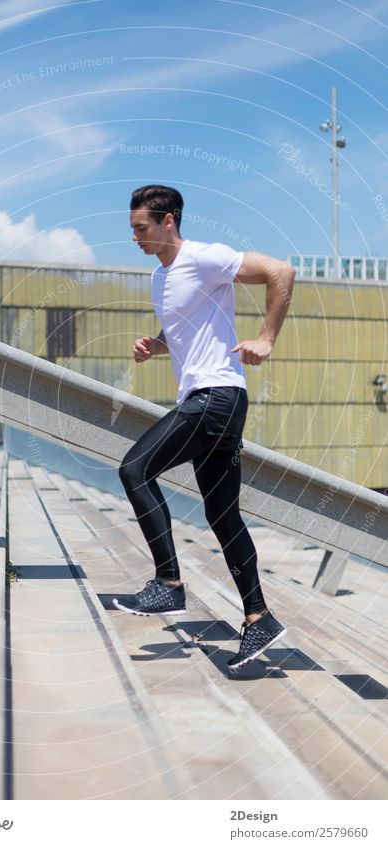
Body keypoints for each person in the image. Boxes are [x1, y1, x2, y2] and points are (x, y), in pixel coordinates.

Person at [112, 184, 295, 671]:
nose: (135, 237)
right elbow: (188, 336)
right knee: (222, 515)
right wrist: (158, 347)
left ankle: (168, 584)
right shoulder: (159, 279)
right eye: (132, 229)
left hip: (215, 397)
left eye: (142, 228)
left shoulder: (205, 257)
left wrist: (266, 337)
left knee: (135, 469)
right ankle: (259, 616)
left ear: (168, 220)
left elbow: (281, 271)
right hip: (213, 399)